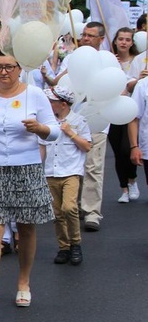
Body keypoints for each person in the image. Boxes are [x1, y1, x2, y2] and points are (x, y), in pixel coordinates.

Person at [0, 51, 60, 315]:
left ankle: (23, 282)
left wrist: (40, 129)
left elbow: (55, 130)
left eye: (9, 67)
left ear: (19, 69)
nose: (4, 72)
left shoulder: (34, 95)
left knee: (25, 230)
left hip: (26, 169)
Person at [40, 86, 91, 265]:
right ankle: (64, 247)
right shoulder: (46, 122)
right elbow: (42, 147)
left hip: (71, 172)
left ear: (62, 104)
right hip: (51, 172)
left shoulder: (79, 120)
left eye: (51, 102)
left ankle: (75, 243)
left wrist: (71, 133)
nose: (48, 105)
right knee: (57, 213)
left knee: (69, 207)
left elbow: (86, 146)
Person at [69, 22, 108, 231]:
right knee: (75, 167)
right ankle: (74, 205)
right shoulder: (73, 58)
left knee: (93, 167)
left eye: (91, 36)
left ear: (100, 39)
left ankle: (92, 211)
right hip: (74, 120)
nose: (85, 38)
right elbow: (61, 82)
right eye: (84, 34)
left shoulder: (107, 61)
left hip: (98, 120)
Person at [109, 27, 140, 203]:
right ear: (115, 40)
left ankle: (132, 180)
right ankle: (124, 189)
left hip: (130, 110)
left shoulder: (138, 61)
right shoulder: (109, 59)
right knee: (117, 152)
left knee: (126, 148)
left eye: (127, 40)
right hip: (112, 110)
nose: (123, 42)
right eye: (121, 39)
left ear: (132, 43)